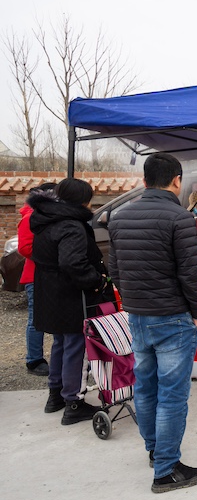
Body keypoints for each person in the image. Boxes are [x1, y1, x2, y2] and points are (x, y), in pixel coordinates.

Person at [109, 153, 197, 493]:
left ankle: (155, 450)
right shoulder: (179, 217)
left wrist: (134, 300)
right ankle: (166, 469)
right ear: (177, 180)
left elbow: (115, 270)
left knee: (146, 386)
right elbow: (191, 274)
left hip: (137, 316)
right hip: (173, 318)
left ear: (144, 180)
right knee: (171, 394)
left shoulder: (120, 217)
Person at [29, 179, 109, 424]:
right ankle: (74, 401)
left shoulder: (45, 220)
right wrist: (95, 280)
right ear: (82, 201)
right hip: (72, 296)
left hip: (51, 294)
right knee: (76, 346)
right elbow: (72, 262)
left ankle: (56, 395)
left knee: (61, 344)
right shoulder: (71, 225)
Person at [17, 181, 57, 377]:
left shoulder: (47, 216)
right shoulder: (30, 218)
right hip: (36, 276)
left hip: (51, 274)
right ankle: (34, 359)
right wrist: (51, 255)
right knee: (36, 319)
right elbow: (24, 248)